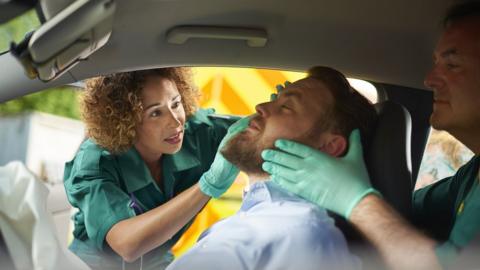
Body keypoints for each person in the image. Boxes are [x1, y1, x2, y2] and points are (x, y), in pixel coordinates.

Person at [261, 2, 480, 269]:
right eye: (436, 63)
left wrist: (355, 199)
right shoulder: (472, 177)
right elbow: (404, 207)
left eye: (453, 64)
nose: (430, 79)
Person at [166, 66, 376, 270]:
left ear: (329, 146)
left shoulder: (297, 235)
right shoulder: (269, 221)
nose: (261, 106)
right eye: (276, 99)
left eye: (287, 107)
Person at [63, 67, 249, 270]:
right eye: (155, 113)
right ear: (125, 122)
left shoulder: (199, 135)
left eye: (175, 104)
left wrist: (283, 106)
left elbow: (258, 129)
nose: (175, 120)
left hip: (156, 262)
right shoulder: (95, 163)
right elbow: (127, 245)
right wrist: (208, 185)